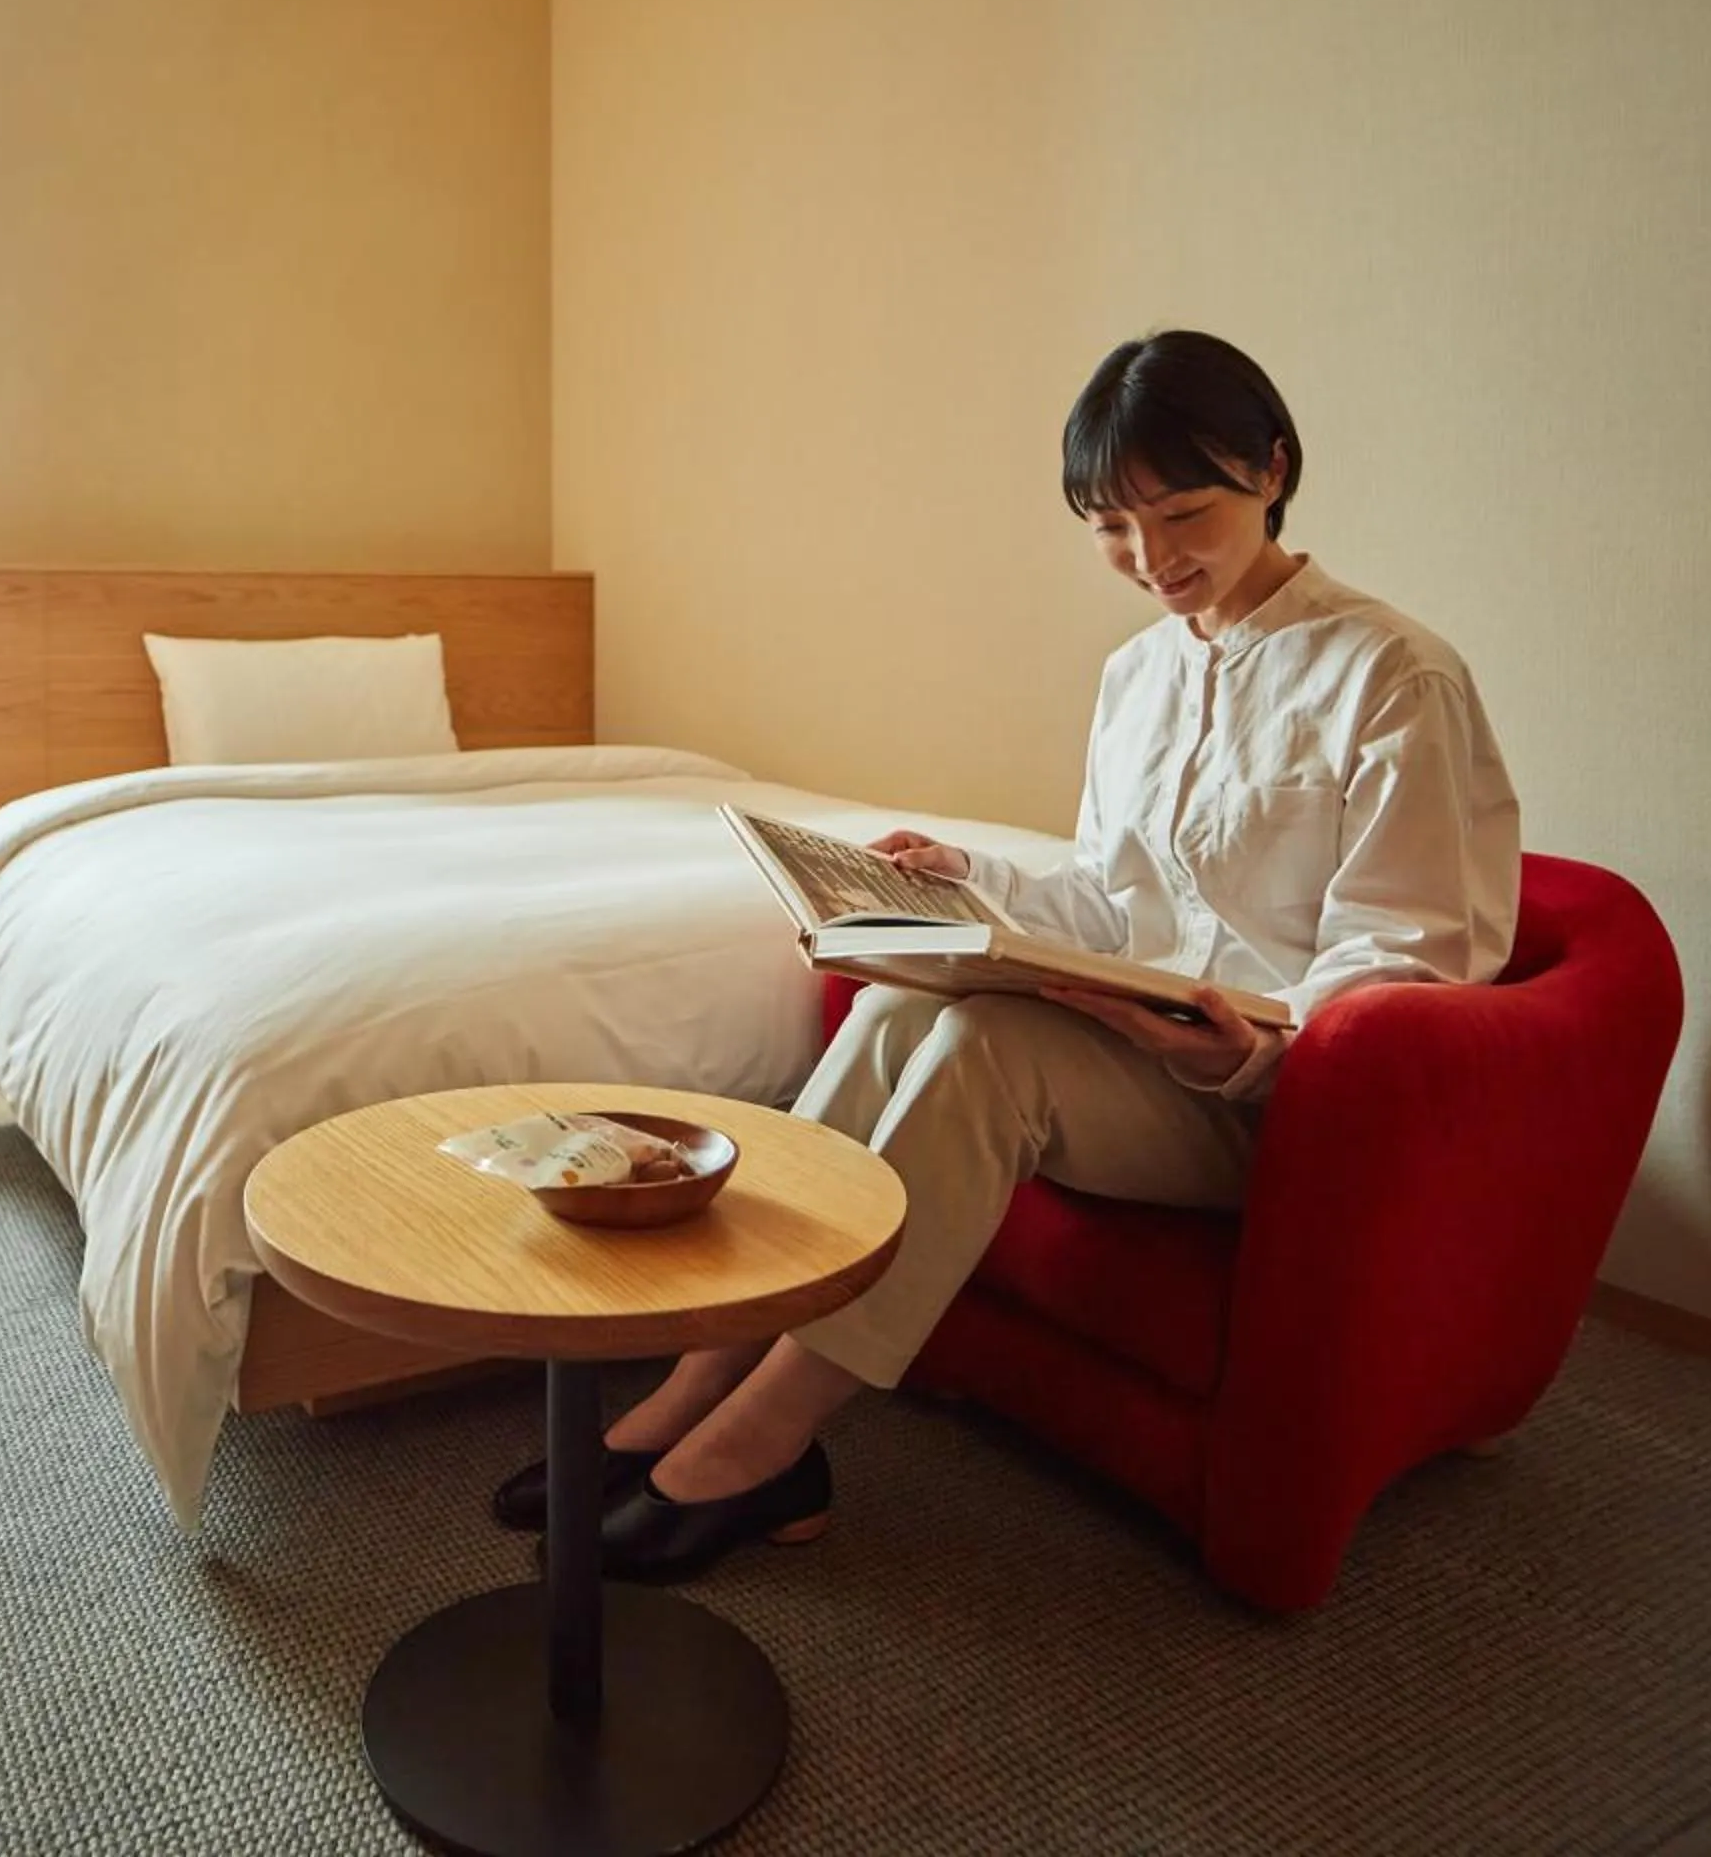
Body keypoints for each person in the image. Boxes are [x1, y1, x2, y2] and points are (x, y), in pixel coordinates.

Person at [492, 328, 1523, 1580]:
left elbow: (1419, 954)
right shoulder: (1139, 672)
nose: (1151, 561)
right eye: (1110, 528)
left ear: (1273, 468)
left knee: (985, 1049)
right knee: (887, 1012)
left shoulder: (1394, 675)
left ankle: (760, 1451)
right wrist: (964, 882)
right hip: (1141, 1052)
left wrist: (1256, 1040)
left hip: (1278, 1101)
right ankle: (694, 1386)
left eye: (1184, 512)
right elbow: (1109, 892)